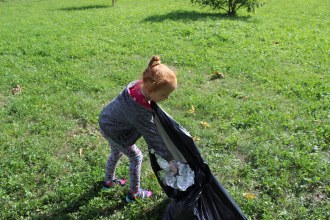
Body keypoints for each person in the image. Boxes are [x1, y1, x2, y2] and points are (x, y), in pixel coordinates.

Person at [99, 55, 177, 202]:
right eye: (164, 94)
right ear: (151, 88)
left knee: (116, 152)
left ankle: (108, 182)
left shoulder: (137, 86)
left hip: (106, 121)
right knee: (136, 156)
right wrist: (170, 159)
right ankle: (134, 193)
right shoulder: (139, 110)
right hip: (114, 131)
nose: (167, 98)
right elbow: (153, 137)